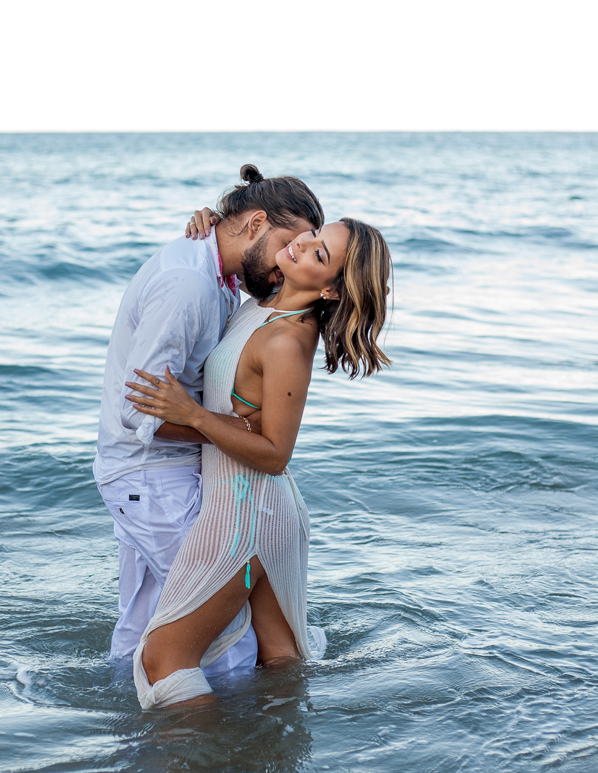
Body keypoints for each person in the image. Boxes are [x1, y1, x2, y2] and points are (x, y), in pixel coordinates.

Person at [125, 214, 393, 709]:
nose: (302, 246)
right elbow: (246, 242)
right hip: (261, 513)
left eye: (319, 255)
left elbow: (275, 454)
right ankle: (277, 760)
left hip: (246, 517)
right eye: (314, 236)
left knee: (163, 660)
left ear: (332, 291)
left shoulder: (288, 339)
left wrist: (193, 415)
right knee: (281, 659)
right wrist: (215, 217)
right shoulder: (265, 303)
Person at [93, 165, 325, 679]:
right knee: (223, 632)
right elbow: (141, 411)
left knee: (143, 625)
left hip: (152, 475)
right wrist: (222, 428)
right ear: (257, 222)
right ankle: (231, 752)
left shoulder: (219, 277)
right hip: (152, 477)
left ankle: (130, 747)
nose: (288, 261)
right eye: (289, 243)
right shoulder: (189, 284)